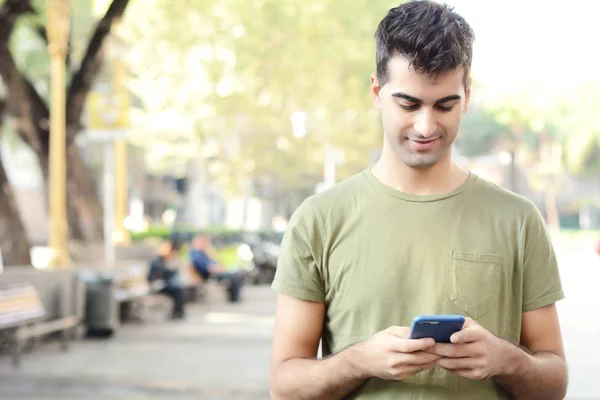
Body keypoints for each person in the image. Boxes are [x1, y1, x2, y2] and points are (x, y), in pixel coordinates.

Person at [269, 1, 568, 399]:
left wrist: (506, 359)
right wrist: (358, 361)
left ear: (467, 94)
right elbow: (284, 386)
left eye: (445, 105)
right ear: (377, 91)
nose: (426, 126)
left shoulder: (518, 220)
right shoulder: (318, 220)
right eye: (408, 104)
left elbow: (554, 384)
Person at [190, 233, 244, 303]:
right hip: (210, 275)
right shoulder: (196, 254)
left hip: (215, 273)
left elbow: (216, 261)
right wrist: (219, 268)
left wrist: (209, 252)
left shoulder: (203, 252)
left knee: (237, 274)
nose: (207, 244)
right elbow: (208, 268)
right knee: (236, 276)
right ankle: (234, 298)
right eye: (205, 242)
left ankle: (234, 296)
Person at [147, 240, 186, 319]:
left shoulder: (164, 260)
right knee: (178, 290)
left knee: (180, 289)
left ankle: (178, 311)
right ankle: (177, 312)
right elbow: (162, 273)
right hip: (156, 285)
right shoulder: (157, 260)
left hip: (165, 284)